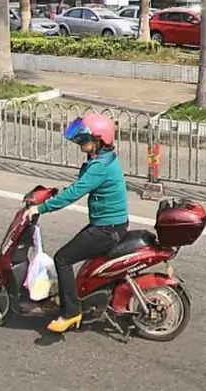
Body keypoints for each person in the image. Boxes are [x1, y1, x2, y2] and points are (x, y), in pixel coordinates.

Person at [24, 113, 129, 333]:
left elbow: (74, 193)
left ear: (99, 140)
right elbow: (79, 184)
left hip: (106, 229)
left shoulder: (99, 166)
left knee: (63, 259)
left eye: (84, 139)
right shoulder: (103, 160)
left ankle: (71, 313)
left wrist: (41, 208)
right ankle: (70, 297)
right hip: (110, 225)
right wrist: (52, 194)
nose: (80, 142)